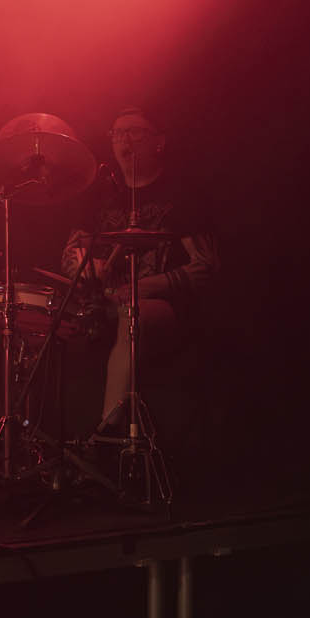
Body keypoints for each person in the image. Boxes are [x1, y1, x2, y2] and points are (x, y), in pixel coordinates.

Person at [61, 107, 218, 440]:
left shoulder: (180, 196)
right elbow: (70, 256)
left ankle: (108, 431)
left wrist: (144, 287)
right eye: (117, 133)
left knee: (130, 312)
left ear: (159, 142)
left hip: (163, 306)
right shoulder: (102, 197)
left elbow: (206, 266)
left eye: (134, 132)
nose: (124, 140)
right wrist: (87, 268)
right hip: (104, 299)